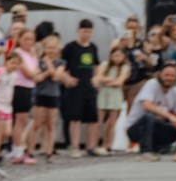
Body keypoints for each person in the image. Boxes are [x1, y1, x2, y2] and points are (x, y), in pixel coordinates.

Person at [125, 65, 176, 160]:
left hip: (157, 126)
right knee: (149, 117)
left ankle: (160, 147)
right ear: (160, 75)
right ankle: (146, 151)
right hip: (136, 128)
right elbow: (147, 106)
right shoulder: (152, 84)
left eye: (172, 76)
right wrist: (170, 116)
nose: (169, 78)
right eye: (166, 75)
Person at [62, 21, 102, 157]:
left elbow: (97, 64)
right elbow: (62, 66)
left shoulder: (93, 47)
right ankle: (75, 147)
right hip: (75, 88)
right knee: (75, 118)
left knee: (92, 119)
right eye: (84, 31)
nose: (87, 34)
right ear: (78, 31)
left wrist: (97, 77)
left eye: (89, 31)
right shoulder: (70, 47)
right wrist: (67, 78)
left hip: (89, 87)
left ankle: (91, 146)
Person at [31, 35, 67, 161]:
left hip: (53, 95)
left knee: (51, 125)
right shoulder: (38, 62)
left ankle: (49, 151)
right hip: (40, 95)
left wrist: (48, 64)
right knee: (37, 124)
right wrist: (48, 71)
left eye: (53, 48)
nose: (51, 50)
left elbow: (56, 77)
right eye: (48, 48)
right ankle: (30, 150)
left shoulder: (61, 63)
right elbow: (37, 78)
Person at [7, 28, 40, 164]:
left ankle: (19, 149)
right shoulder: (18, 53)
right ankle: (18, 151)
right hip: (19, 87)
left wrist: (34, 73)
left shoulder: (32, 54)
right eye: (25, 39)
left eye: (31, 39)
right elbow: (30, 73)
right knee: (20, 121)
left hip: (29, 88)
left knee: (23, 120)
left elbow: (36, 72)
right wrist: (34, 73)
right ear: (19, 39)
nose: (28, 42)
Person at [95, 44, 129, 154]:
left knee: (111, 123)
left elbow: (119, 82)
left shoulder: (125, 68)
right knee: (98, 121)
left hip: (115, 95)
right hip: (103, 94)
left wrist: (106, 80)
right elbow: (99, 77)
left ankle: (107, 144)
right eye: (115, 55)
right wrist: (112, 80)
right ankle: (94, 144)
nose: (117, 58)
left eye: (119, 56)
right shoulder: (105, 65)